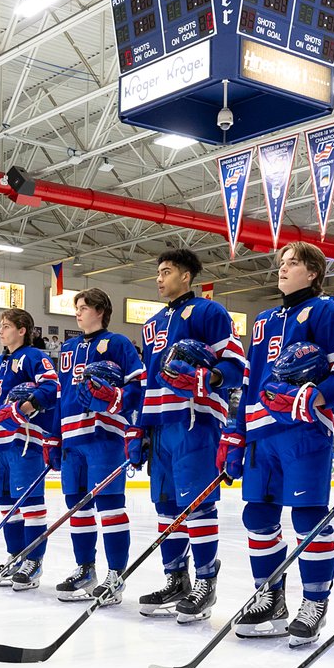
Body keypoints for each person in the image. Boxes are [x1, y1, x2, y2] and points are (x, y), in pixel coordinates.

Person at [215, 242, 334, 641]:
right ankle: (269, 597)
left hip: (304, 432)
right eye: (281, 263)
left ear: (313, 272)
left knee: (307, 519)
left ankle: (315, 600)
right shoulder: (262, 321)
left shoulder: (327, 312)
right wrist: (234, 434)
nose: (283, 269)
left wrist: (314, 395)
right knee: (258, 518)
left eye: (293, 263)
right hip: (261, 437)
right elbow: (249, 385)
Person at [136, 248, 246, 623]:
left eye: (166, 271)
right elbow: (149, 380)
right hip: (161, 425)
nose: (159, 278)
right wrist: (140, 426)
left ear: (187, 276)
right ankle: (175, 579)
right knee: (166, 506)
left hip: (195, 420)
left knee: (197, 504)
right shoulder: (151, 324)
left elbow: (234, 366)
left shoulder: (209, 312)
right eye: (158, 272)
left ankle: (205, 581)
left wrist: (208, 378)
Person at [52, 288, 145, 604]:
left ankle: (116, 576)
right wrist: (54, 438)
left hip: (104, 436)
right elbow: (59, 395)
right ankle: (85, 570)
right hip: (72, 439)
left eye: (83, 307)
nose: (77, 312)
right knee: (76, 507)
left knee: (110, 507)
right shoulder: (67, 348)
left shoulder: (117, 343)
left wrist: (118, 400)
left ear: (100, 310)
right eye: (76, 307)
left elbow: (137, 384)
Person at [0, 308, 60, 589]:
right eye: (0, 326)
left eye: (5, 326)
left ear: (22, 330)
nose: (0, 331)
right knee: (6, 505)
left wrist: (25, 409)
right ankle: (15, 556)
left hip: (25, 440)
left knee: (30, 504)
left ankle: (33, 562)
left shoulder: (35, 356)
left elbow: (52, 389)